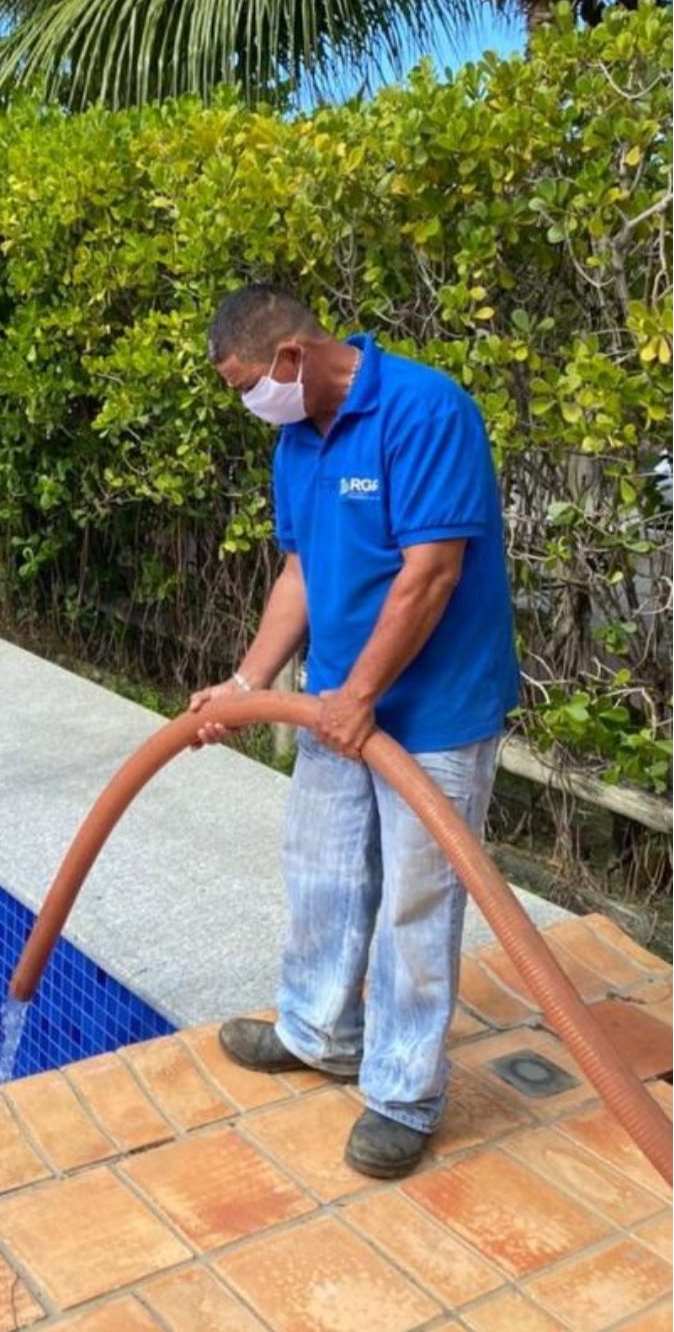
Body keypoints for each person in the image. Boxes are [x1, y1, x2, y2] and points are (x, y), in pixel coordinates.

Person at [190, 282, 520, 1178]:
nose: (250, 404)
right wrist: (247, 684)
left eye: (249, 384)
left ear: (292, 357)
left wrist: (362, 693)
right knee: (321, 870)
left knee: (417, 902)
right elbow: (299, 571)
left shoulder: (425, 410)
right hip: (336, 703)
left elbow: (431, 572)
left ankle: (404, 1092)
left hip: (436, 709)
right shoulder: (297, 439)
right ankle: (319, 1031)